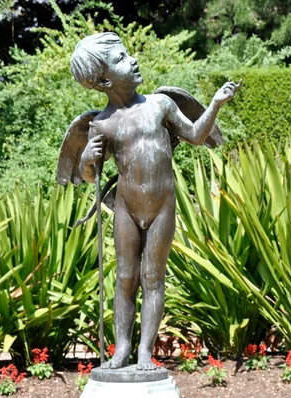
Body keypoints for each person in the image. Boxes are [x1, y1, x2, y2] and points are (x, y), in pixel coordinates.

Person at [68, 32, 240, 371]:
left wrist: (215, 104)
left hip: (162, 205)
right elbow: (92, 177)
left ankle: (145, 351)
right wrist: (87, 159)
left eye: (126, 53)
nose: (132, 59)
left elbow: (194, 135)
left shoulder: (160, 105)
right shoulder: (101, 123)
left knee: (153, 276)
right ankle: (122, 348)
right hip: (126, 209)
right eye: (120, 59)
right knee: (124, 277)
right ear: (103, 80)